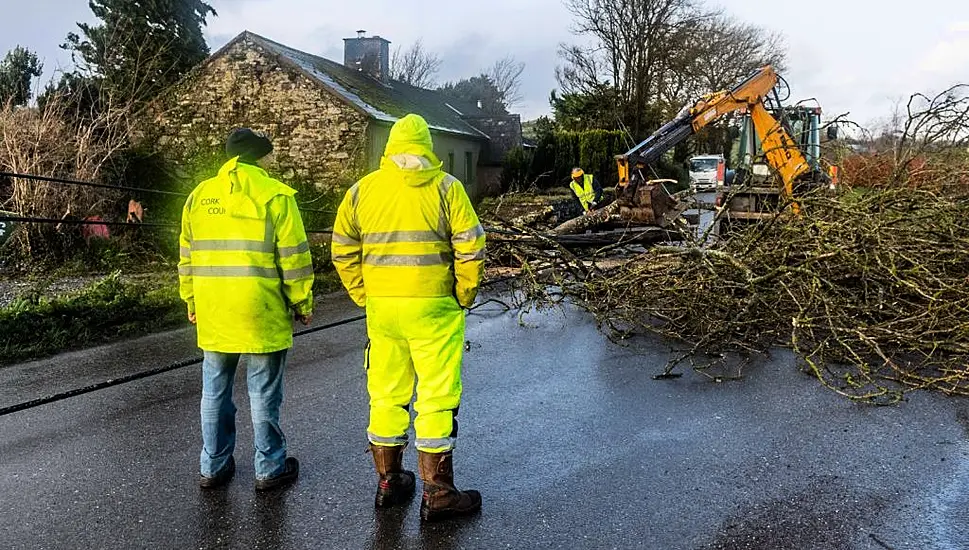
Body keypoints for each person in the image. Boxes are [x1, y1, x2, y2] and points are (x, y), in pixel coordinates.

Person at [331, 114, 486, 521]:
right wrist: (464, 294)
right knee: (435, 396)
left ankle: (390, 482)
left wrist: (364, 293)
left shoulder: (363, 190)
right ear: (428, 146)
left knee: (386, 393)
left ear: (391, 148)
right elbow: (471, 247)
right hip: (434, 308)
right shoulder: (447, 188)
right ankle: (438, 493)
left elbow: (342, 248)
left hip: (383, 311)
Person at [178, 128, 315, 491]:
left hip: (214, 310)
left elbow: (187, 257)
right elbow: (295, 259)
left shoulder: (199, 196)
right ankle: (269, 468)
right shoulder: (277, 196)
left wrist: (190, 299)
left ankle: (213, 465)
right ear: (261, 158)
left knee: (214, 390)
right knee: (263, 393)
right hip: (261, 309)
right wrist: (302, 302)